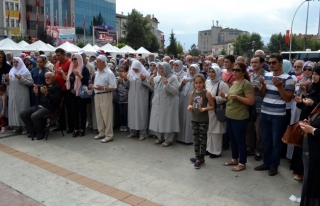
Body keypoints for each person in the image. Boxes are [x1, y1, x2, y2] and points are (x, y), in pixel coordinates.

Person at [255, 53, 294, 176]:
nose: (271, 65)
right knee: (266, 141)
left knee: (276, 142)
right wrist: (263, 87)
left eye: (274, 62)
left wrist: (279, 87)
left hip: (278, 115)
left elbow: (288, 98)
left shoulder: (288, 78)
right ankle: (266, 162)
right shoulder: (266, 75)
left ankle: (274, 165)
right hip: (265, 112)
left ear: (281, 63)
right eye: (270, 62)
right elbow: (263, 95)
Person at [221, 62, 254, 172]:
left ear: (243, 72)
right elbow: (231, 97)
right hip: (230, 114)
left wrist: (238, 98)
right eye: (234, 70)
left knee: (240, 140)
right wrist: (226, 96)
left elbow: (250, 101)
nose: (234, 72)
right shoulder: (234, 83)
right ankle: (234, 158)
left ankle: (242, 162)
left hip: (240, 116)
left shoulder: (246, 84)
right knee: (233, 139)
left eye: (237, 70)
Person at [20, 72, 62, 140]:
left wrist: (47, 94)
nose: (46, 79)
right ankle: (32, 131)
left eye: (48, 78)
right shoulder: (43, 86)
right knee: (23, 114)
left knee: (34, 116)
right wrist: (36, 93)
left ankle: (41, 132)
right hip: (40, 105)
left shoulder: (56, 87)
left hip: (49, 107)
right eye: (45, 78)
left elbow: (55, 100)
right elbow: (39, 98)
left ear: (53, 78)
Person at [149, 62, 180, 147]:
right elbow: (153, 89)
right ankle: (160, 137)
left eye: (163, 68)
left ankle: (168, 139)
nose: (161, 70)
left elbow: (175, 91)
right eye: (160, 68)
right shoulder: (158, 78)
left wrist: (167, 84)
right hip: (158, 103)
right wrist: (151, 81)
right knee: (158, 120)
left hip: (168, 104)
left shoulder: (173, 78)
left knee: (167, 121)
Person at [188, 74, 215, 169]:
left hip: (203, 120)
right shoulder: (192, 93)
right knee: (195, 139)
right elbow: (190, 104)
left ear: (203, 83)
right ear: (194, 84)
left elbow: (212, 106)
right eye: (196, 83)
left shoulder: (207, 93)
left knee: (202, 139)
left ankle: (201, 158)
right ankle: (197, 156)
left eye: (200, 82)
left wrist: (204, 109)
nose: (198, 85)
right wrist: (190, 107)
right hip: (194, 119)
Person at [89, 55, 117, 143]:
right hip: (97, 95)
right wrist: (93, 86)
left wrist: (103, 88)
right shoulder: (97, 73)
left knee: (107, 116)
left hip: (105, 95)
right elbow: (97, 85)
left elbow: (114, 87)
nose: (96, 63)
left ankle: (109, 135)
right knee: (99, 115)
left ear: (103, 62)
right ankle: (101, 132)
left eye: (98, 61)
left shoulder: (109, 73)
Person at [4, 57, 34, 133]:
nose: (15, 63)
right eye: (14, 62)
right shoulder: (11, 71)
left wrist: (21, 78)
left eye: (17, 62)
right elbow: (8, 84)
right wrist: (6, 79)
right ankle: (16, 126)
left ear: (20, 62)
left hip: (22, 95)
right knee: (13, 110)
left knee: (21, 109)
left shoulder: (25, 71)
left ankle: (24, 127)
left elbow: (30, 82)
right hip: (12, 95)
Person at [123, 60, 150, 141]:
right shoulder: (130, 74)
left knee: (141, 114)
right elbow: (127, 85)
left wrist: (144, 79)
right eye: (133, 68)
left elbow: (150, 86)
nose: (135, 70)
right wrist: (125, 79)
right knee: (132, 114)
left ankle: (143, 133)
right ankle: (133, 132)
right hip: (132, 97)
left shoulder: (146, 74)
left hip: (141, 98)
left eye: (136, 69)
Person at [205, 65, 229, 158]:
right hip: (207, 109)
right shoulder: (207, 82)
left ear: (218, 73)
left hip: (216, 109)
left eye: (213, 72)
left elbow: (226, 97)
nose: (211, 74)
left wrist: (215, 98)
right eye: (210, 72)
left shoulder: (222, 84)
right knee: (209, 130)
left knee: (216, 131)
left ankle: (216, 151)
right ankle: (209, 149)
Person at [298, 106, 320, 206]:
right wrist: (309, 123)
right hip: (310, 154)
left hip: (316, 157)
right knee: (308, 184)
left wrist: (312, 130)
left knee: (314, 187)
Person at [246, 56, 266, 161]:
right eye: (252, 62)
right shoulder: (250, 75)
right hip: (251, 106)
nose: (253, 64)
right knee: (249, 129)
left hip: (261, 106)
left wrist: (259, 88)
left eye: (256, 62)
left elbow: (266, 91)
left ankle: (259, 150)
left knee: (259, 131)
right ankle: (250, 148)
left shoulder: (266, 75)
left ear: (262, 63)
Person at [65, 53, 90, 137]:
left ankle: (82, 128)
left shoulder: (83, 69)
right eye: (72, 59)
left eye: (75, 59)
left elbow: (87, 80)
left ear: (79, 59)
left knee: (82, 111)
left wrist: (79, 75)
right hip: (72, 93)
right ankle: (76, 128)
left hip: (80, 93)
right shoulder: (71, 68)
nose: (73, 61)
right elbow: (68, 80)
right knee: (74, 111)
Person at [177, 64, 200, 144]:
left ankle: (189, 139)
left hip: (192, 102)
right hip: (183, 101)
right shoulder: (184, 78)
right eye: (190, 70)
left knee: (190, 119)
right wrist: (182, 84)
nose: (192, 71)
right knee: (182, 117)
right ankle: (180, 137)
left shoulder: (198, 80)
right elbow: (178, 89)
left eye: (194, 70)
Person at [53, 48, 71, 132]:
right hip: (58, 89)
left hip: (66, 89)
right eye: (56, 55)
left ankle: (70, 126)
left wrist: (62, 73)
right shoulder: (57, 63)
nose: (57, 57)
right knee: (60, 108)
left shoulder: (69, 62)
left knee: (68, 108)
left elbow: (71, 75)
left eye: (59, 55)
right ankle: (61, 125)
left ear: (64, 55)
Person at [116, 65, 129, 132]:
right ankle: (121, 125)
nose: (121, 73)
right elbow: (115, 87)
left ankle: (125, 125)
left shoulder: (127, 78)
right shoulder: (116, 78)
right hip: (119, 99)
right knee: (120, 113)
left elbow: (128, 86)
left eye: (122, 71)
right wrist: (117, 81)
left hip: (126, 99)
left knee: (125, 112)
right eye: (120, 71)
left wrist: (124, 79)